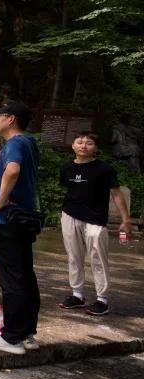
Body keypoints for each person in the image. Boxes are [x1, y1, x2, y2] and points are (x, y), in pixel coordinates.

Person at [0, 100, 41, 355]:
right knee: (25, 274)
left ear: (12, 119)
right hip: (24, 219)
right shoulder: (25, 143)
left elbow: (12, 171)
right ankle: (27, 333)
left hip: (7, 220)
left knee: (10, 278)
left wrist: (1, 201)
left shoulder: (16, 144)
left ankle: (11, 337)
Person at [57, 132, 132, 316]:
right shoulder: (66, 167)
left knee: (98, 258)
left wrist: (125, 220)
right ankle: (77, 295)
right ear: (73, 146)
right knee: (74, 256)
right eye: (80, 142)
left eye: (89, 143)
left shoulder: (104, 169)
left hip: (95, 219)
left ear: (95, 148)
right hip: (69, 216)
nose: (84, 146)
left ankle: (102, 299)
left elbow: (115, 194)